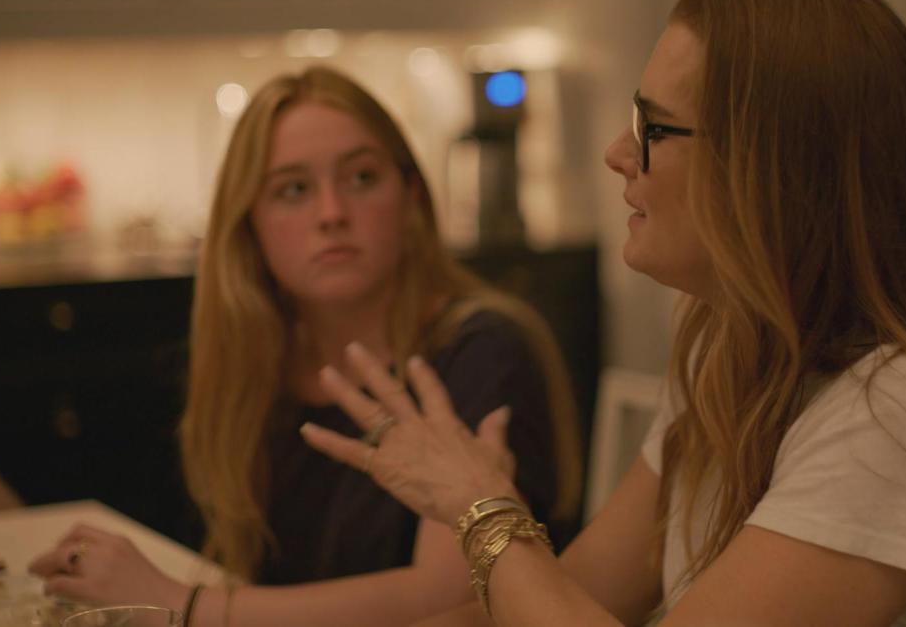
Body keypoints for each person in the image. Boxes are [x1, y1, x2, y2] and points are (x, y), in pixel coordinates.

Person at [302, 0, 906, 626]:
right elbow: (584, 594)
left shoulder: (902, 416)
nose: (618, 154)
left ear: (773, 173)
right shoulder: (728, 344)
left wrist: (481, 505)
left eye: (654, 127)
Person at [29, 66, 582, 627]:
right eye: (293, 189)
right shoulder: (252, 364)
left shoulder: (483, 349)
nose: (332, 214)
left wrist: (184, 604)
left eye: (362, 178)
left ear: (411, 197)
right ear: (250, 226)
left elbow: (452, 593)